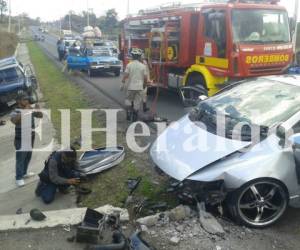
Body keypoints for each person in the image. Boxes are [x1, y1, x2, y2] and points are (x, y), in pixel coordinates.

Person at [10, 92, 43, 187]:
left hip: (30, 137)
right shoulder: (15, 111)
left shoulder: (30, 108)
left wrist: (37, 108)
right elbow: (15, 121)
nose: (27, 100)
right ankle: (18, 178)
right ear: (19, 101)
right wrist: (25, 110)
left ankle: (24, 173)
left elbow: (40, 116)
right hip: (20, 139)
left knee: (28, 156)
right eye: (24, 99)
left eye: (27, 99)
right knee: (20, 158)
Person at [121, 48, 148, 122]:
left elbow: (125, 75)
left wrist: (122, 84)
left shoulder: (129, 65)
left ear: (132, 56)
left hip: (130, 87)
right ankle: (135, 115)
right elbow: (145, 78)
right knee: (137, 102)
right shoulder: (143, 66)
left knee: (128, 100)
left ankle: (129, 113)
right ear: (139, 57)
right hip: (139, 87)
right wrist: (144, 85)